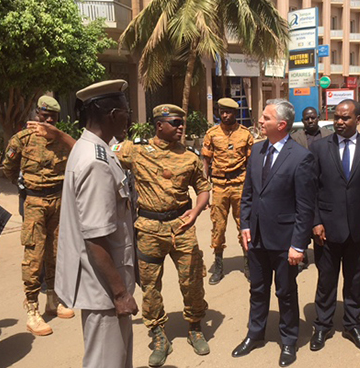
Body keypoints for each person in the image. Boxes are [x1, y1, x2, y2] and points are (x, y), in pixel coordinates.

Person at [117, 104, 211, 368]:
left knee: (192, 280)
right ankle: (158, 335)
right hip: (148, 228)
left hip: (181, 227)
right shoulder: (134, 151)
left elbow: (203, 189)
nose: (181, 127)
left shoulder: (190, 157)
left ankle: (194, 327)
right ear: (159, 125)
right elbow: (99, 153)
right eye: (176, 122)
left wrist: (196, 211)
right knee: (149, 286)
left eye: (182, 123)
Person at [55, 79, 138, 368]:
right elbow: (95, 238)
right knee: (105, 362)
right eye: (126, 111)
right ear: (114, 114)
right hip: (104, 289)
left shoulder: (88, 148)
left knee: (118, 360)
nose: (129, 118)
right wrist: (120, 293)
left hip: (104, 283)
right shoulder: (96, 162)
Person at [232, 99, 316, 367]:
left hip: (284, 241)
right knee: (257, 290)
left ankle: (289, 340)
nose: (260, 121)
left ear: (281, 124)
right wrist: (245, 225)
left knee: (286, 292)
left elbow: (305, 207)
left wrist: (299, 246)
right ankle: (254, 334)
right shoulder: (256, 151)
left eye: (265, 118)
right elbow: (248, 194)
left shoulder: (301, 157)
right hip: (255, 237)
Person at [309, 99, 360, 353]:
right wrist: (316, 221)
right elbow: (312, 189)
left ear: (358, 119)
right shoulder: (319, 148)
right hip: (327, 230)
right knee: (326, 279)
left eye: (345, 118)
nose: (339, 122)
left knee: (355, 279)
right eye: (336, 118)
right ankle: (323, 324)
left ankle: (353, 324)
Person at [2, 96, 75, 337]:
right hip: (34, 202)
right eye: (45, 116)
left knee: (55, 251)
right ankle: (32, 310)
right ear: (37, 114)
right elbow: (9, 168)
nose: (49, 120)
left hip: (58, 200)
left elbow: (78, 156)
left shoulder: (62, 140)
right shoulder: (22, 139)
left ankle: (52, 300)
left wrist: (59, 134)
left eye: (53, 116)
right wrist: (25, 188)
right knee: (34, 254)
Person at [201, 97, 254, 285]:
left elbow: (251, 163)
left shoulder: (246, 134)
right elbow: (206, 161)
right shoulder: (212, 133)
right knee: (218, 227)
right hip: (220, 186)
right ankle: (219, 265)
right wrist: (204, 189)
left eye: (229, 112)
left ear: (235, 113)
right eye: (222, 111)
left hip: (240, 185)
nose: (225, 115)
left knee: (244, 225)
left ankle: (248, 264)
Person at [291, 106, 333, 272]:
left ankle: (322, 250)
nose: (310, 121)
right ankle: (302, 255)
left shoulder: (329, 136)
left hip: (323, 184)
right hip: (302, 185)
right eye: (307, 118)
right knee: (302, 219)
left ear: (318, 118)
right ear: (302, 121)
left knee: (320, 219)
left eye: (313, 118)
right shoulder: (295, 138)